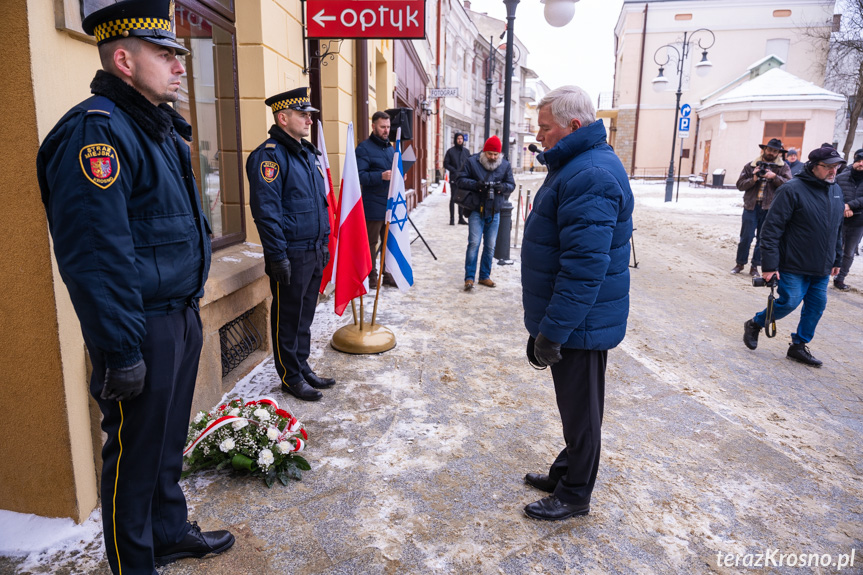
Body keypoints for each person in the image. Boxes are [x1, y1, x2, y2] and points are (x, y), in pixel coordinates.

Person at [35, 1, 233, 573]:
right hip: (139, 327)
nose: (179, 66)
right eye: (165, 54)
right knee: (134, 456)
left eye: (178, 54)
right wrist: (120, 350)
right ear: (124, 60)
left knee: (167, 442)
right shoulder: (96, 133)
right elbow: (98, 258)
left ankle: (168, 531)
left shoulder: (156, 128)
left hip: (178, 314)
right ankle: (134, 563)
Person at [520, 86, 634, 521]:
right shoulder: (578, 164)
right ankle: (567, 471)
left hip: (581, 322)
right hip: (575, 318)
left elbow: (584, 267)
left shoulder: (590, 174)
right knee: (574, 407)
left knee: (583, 411)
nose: (540, 135)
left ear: (574, 126)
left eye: (545, 127)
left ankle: (575, 494)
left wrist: (554, 330)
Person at [247, 88, 335, 401]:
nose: (309, 119)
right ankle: (290, 376)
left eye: (309, 114)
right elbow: (266, 213)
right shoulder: (269, 156)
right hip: (291, 254)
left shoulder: (307, 153)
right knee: (288, 316)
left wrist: (324, 243)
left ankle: (301, 365)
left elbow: (318, 204)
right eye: (303, 114)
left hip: (313, 249)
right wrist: (277, 256)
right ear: (283, 118)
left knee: (305, 314)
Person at [742, 146, 845, 367]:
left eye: (835, 167)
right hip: (793, 262)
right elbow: (771, 230)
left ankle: (798, 346)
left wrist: (837, 258)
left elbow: (837, 227)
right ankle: (755, 323)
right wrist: (769, 265)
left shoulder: (835, 190)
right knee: (789, 302)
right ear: (813, 165)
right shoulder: (792, 189)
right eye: (827, 167)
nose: (833, 171)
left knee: (816, 306)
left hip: (821, 265)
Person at [456, 135, 515, 290]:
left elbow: (511, 184)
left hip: (495, 210)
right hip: (476, 208)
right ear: (484, 152)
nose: (493, 157)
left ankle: (484, 276)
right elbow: (460, 179)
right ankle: (469, 278)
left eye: (496, 155)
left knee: (490, 245)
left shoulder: (505, 165)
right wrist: (476, 185)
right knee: (474, 243)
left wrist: (502, 187)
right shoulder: (472, 161)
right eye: (490, 154)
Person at [732, 138, 792, 277]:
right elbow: (740, 185)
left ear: (779, 153)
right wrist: (753, 178)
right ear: (764, 149)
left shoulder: (783, 167)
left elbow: (789, 186)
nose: (772, 153)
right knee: (746, 237)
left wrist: (774, 177)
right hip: (751, 206)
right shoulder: (751, 165)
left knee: (762, 239)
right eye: (770, 149)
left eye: (775, 151)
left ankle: (755, 266)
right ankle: (740, 263)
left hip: (770, 209)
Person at [356, 111, 397, 285]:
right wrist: (381, 176)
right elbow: (359, 176)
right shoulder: (363, 149)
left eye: (388, 127)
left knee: (389, 242)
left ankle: (387, 274)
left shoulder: (390, 147)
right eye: (382, 127)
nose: (386, 130)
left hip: (389, 203)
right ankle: (372, 276)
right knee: (371, 242)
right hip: (372, 203)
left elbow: (393, 171)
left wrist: (398, 176)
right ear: (373, 126)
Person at [833, 148, 863, 291]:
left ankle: (840, 278)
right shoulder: (841, 177)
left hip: (858, 222)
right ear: (854, 161)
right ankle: (825, 273)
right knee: (832, 248)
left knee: (849, 252)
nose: (861, 164)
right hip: (840, 219)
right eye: (859, 161)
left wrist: (850, 205)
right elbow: (834, 194)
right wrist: (843, 207)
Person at [443, 132, 470, 225]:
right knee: (454, 198)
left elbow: (469, 164)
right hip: (454, 177)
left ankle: (461, 218)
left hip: (464, 178)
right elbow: (446, 163)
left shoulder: (466, 152)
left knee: (462, 198)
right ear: (455, 139)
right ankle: (452, 218)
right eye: (458, 138)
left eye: (461, 139)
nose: (460, 140)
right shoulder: (450, 151)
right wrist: (454, 170)